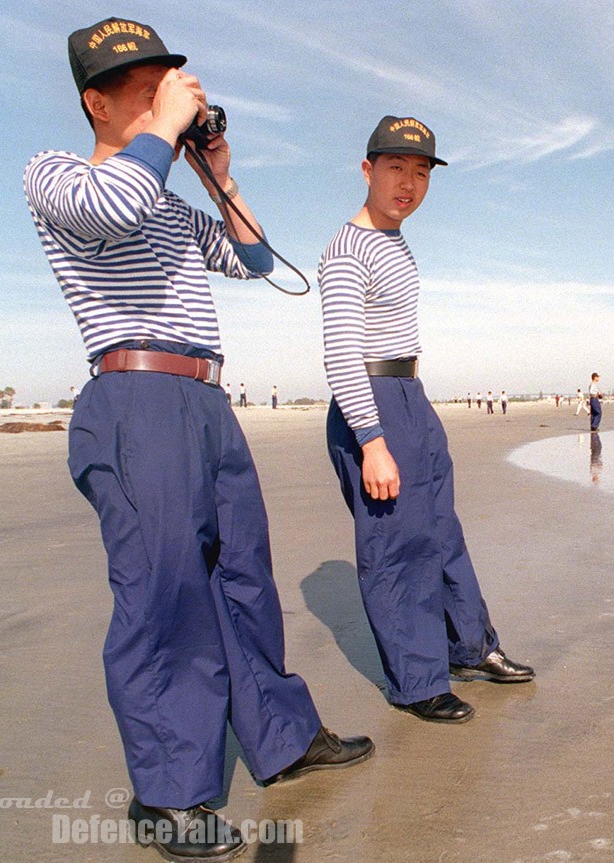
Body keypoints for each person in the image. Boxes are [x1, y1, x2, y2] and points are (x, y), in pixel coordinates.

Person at [24, 18, 371, 862]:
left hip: (206, 402)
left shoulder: (169, 199)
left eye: (166, 81)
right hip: (133, 398)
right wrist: (165, 133)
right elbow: (114, 208)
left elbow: (255, 258)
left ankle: (282, 738)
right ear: (95, 101)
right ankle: (168, 794)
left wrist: (218, 173)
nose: (161, 93)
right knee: (163, 592)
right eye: (141, 85)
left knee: (243, 578)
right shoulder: (58, 173)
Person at [318, 115, 534, 726]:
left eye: (420, 172)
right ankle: (417, 681)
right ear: (367, 170)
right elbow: (340, 353)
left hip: (411, 394)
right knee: (396, 547)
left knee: (441, 531)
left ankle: (470, 647)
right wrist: (372, 442)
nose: (408, 183)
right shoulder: (346, 249)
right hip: (374, 401)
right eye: (395, 169)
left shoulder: (395, 240)